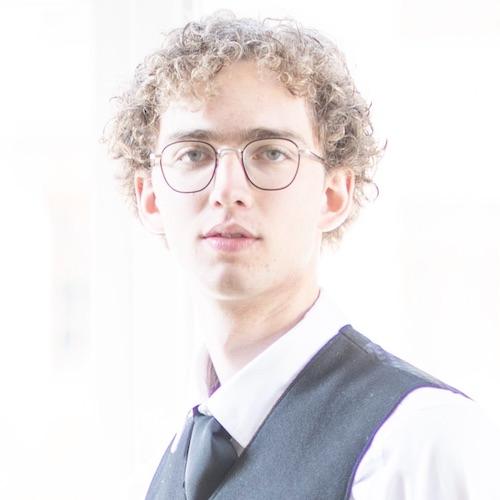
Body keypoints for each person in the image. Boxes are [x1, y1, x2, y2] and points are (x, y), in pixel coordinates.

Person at [105, 12, 500, 500]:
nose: (227, 190)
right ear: (149, 198)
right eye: (193, 154)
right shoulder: (149, 473)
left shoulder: (419, 443)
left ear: (333, 195)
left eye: (270, 152)